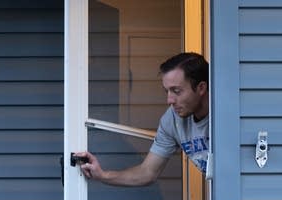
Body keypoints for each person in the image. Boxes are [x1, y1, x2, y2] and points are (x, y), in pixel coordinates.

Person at [75, 52, 209, 186]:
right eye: (167, 91)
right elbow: (147, 172)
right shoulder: (172, 120)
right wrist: (102, 175)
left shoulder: (225, 115)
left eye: (177, 91)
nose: (169, 100)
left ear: (201, 88)